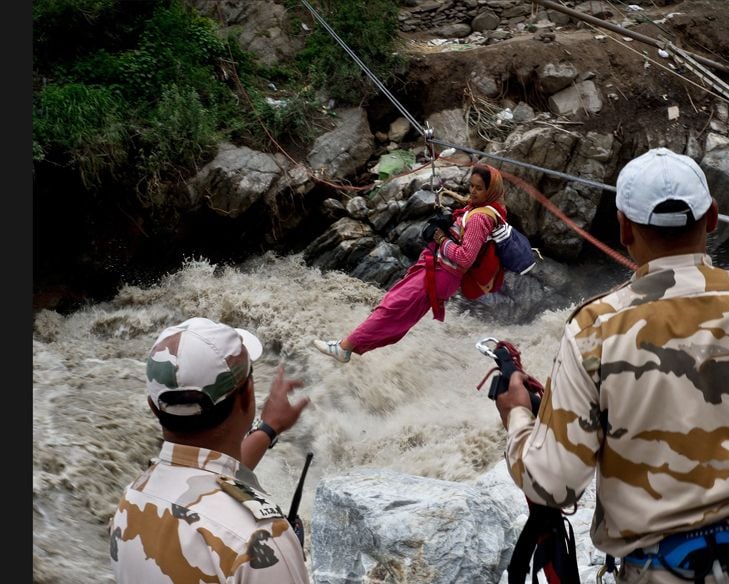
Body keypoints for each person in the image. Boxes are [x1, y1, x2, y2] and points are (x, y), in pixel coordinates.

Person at [494, 148, 729, 583]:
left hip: (667, 571)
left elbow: (552, 484)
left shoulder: (594, 329)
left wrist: (519, 415)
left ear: (622, 228)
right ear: (712, 217)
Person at [108, 317, 312, 583]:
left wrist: (269, 429)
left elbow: (208, 475)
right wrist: (287, 555)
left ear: (153, 407)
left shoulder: (131, 502)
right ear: (249, 395)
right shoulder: (260, 541)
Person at [313, 163, 507, 363]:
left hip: (441, 273)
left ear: (490, 191)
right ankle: (349, 346)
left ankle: (345, 347)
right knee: (397, 315)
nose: (473, 191)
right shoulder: (483, 210)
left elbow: (466, 258)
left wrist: (442, 240)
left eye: (479, 188)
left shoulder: (480, 218)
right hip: (440, 272)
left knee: (391, 309)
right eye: (472, 186)